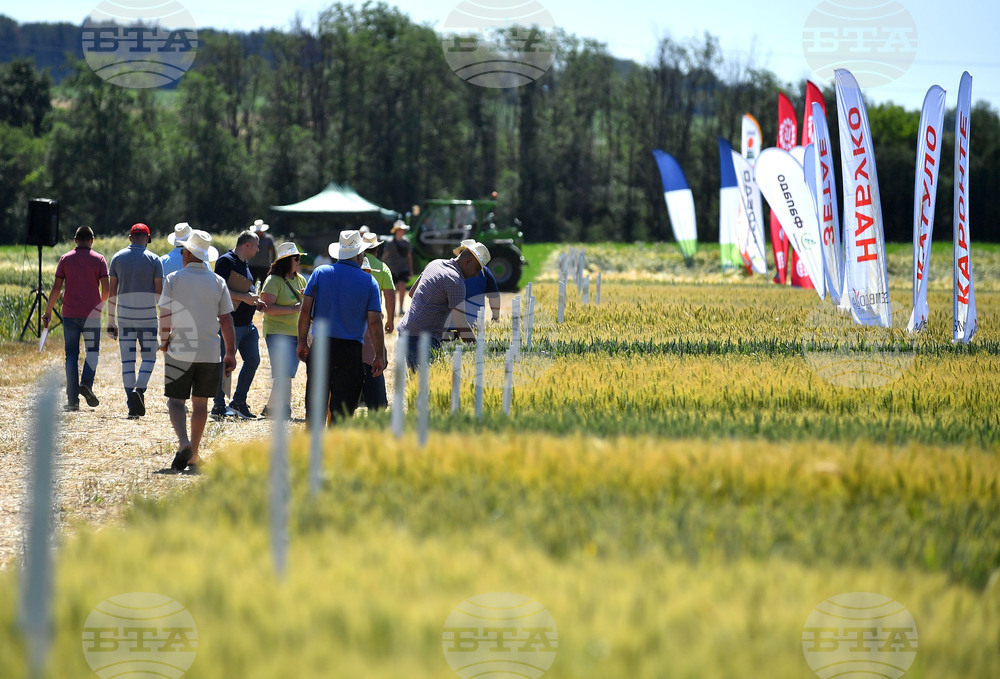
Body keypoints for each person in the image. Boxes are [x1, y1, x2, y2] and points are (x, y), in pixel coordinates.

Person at [158, 230, 236, 473]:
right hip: (209, 351)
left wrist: (164, 340)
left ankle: (184, 443)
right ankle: (194, 454)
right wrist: (230, 352)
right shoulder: (218, 281)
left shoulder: (173, 279)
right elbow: (226, 319)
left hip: (180, 348)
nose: (182, 254)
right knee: (201, 404)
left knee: (176, 401)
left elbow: (165, 315)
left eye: (184, 251)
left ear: (188, 253)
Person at [297, 230, 384, 427]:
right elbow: (374, 323)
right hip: (350, 350)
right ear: (359, 255)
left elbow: (305, 311)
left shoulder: (320, 273)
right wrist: (379, 354)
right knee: (343, 410)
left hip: (321, 346)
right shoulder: (369, 281)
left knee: (315, 405)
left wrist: (302, 342)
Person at [42, 226, 110, 411]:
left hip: (70, 314)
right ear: (92, 240)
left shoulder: (66, 259)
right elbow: (106, 289)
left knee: (71, 355)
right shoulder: (99, 260)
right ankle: (86, 383)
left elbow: (56, 288)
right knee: (92, 352)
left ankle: (72, 401)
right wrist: (100, 306)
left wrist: (48, 312)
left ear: (75, 240)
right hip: (92, 315)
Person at [396, 241, 490, 370]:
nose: (476, 274)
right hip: (423, 340)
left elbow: (412, 293)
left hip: (405, 332)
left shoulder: (435, 263)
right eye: (477, 269)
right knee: (426, 382)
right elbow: (461, 326)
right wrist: (480, 351)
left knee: (415, 380)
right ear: (468, 261)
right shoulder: (455, 281)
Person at [107, 223, 163, 418]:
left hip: (124, 316)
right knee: (149, 357)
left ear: (130, 238)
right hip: (147, 316)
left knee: (127, 361)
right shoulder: (154, 259)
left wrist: (111, 319)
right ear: (147, 238)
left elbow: (112, 292)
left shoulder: (117, 258)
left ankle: (132, 405)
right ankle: (139, 389)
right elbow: (159, 293)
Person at [211, 230, 261, 419]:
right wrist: (245, 297)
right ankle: (218, 406)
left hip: (247, 324)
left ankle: (238, 401)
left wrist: (254, 300)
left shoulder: (244, 263)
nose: (258, 250)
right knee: (225, 364)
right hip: (231, 324)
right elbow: (219, 289)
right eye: (256, 246)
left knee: (253, 360)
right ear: (247, 244)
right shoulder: (226, 261)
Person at [258, 242, 306, 419]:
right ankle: (285, 409)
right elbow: (266, 308)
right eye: (296, 258)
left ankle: (270, 409)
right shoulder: (273, 281)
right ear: (287, 261)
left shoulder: (301, 280)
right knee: (284, 373)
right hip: (277, 332)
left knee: (286, 374)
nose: (299, 262)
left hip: (296, 332)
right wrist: (294, 309)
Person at [359, 256, 388, 411]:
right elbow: (375, 326)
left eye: (368, 272)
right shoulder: (371, 290)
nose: (367, 275)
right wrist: (381, 353)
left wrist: (382, 351)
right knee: (377, 404)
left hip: (365, 354)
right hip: (368, 355)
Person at [362, 232, 396, 333]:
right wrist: (390, 320)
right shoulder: (383, 268)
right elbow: (389, 296)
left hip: (354, 314)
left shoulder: (354, 264)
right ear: (377, 249)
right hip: (374, 315)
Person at [381, 220, 413, 317]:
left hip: (403, 268)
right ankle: (394, 309)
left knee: (402, 287)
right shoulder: (390, 243)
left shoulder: (407, 242)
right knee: (393, 290)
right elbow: (385, 256)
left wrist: (410, 270)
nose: (402, 231)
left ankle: (401, 308)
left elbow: (409, 257)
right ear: (396, 230)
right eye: (400, 229)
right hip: (392, 268)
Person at [248, 219, 276, 283]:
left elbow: (272, 251)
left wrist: (273, 263)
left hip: (264, 266)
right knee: (250, 284)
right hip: (252, 265)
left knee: (264, 284)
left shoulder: (268, 239)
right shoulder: (250, 238)